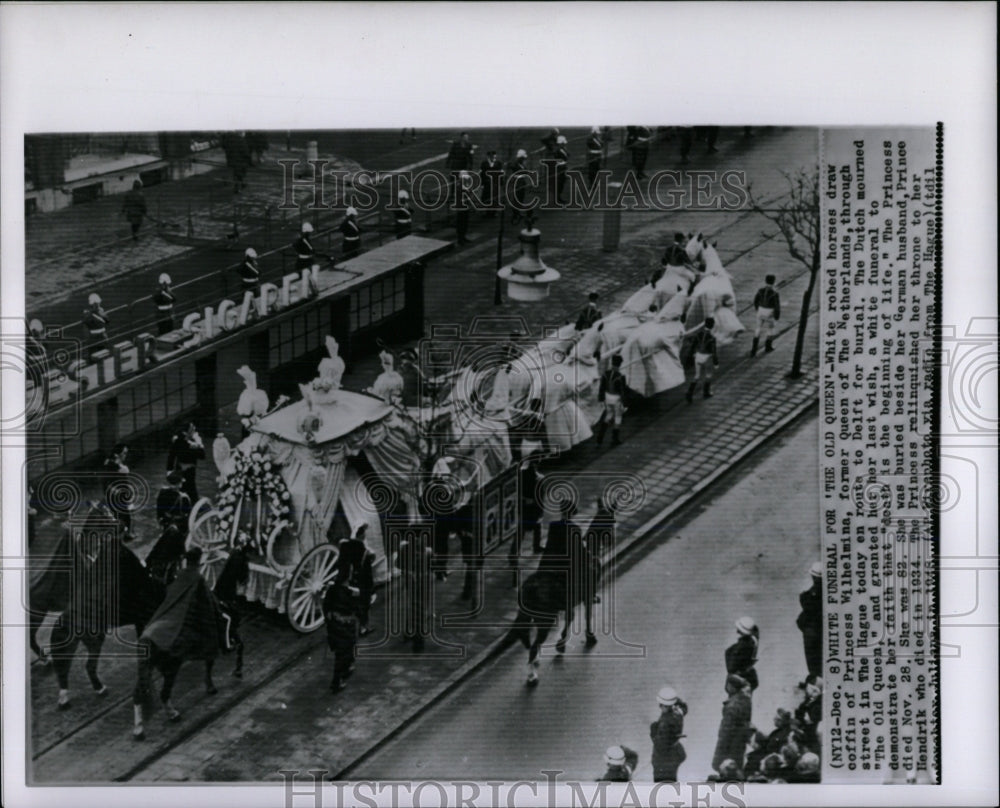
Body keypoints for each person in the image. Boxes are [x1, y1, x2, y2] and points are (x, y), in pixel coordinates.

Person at [322, 568, 360, 692]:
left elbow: (326, 607)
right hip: (346, 626)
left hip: (334, 626)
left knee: (341, 652)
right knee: (346, 651)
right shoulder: (350, 594)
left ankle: (344, 670)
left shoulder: (332, 590)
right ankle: (337, 680)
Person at [336, 525, 376, 636]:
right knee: (364, 605)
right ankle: (363, 627)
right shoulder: (365, 551)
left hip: (349, 581)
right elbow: (368, 573)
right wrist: (372, 589)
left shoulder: (345, 546)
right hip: (362, 582)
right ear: (362, 535)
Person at [712, 674, 753, 775]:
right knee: (736, 764)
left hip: (729, 743)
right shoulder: (746, 700)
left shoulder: (732, 706)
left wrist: (720, 749)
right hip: (740, 740)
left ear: (731, 686)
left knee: (724, 767)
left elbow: (727, 730)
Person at [650, 685, 689, 782]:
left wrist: (653, 732)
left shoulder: (665, 723)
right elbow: (684, 707)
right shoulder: (678, 712)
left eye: (661, 704)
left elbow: (660, 745)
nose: (660, 707)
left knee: (663, 784)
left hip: (664, 760)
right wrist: (674, 699)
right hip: (675, 752)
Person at [167, 422, 206, 505]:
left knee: (184, 490)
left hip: (181, 469)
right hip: (188, 471)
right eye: (192, 430)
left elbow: (171, 456)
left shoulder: (177, 440)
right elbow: (202, 455)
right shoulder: (192, 444)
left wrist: (169, 470)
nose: (194, 432)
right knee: (190, 491)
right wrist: (199, 443)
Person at [102, 443, 134, 540]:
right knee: (120, 516)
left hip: (122, 496)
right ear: (117, 454)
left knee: (125, 516)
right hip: (115, 498)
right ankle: (120, 536)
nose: (125, 455)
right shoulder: (110, 466)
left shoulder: (119, 465)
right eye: (123, 453)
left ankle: (125, 533)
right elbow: (107, 484)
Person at [596, 354, 629, 447]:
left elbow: (601, 387)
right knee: (618, 417)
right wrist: (625, 403)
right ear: (620, 364)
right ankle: (615, 439)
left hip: (607, 397)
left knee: (608, 415)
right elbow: (623, 391)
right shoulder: (621, 376)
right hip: (616, 398)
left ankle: (600, 436)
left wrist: (601, 399)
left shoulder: (605, 374)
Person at [797, 561, 823, 678]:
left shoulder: (814, 592)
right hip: (817, 629)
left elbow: (808, 605)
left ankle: (815, 679)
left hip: (812, 630)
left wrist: (803, 595)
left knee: (813, 657)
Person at [685, 316, 719, 402]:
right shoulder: (712, 337)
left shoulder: (698, 334)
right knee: (708, 375)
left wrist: (691, 355)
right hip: (707, 357)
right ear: (712, 325)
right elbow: (714, 351)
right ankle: (706, 392)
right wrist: (716, 362)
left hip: (698, 355)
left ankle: (690, 392)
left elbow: (693, 346)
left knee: (697, 376)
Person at [725, 615, 760, 692]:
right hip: (749, 676)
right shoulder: (753, 641)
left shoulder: (742, 646)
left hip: (740, 679)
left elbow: (731, 668)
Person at [751, 274, 781, 356]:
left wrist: (758, 309)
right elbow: (777, 306)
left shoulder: (760, 290)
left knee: (758, 328)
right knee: (770, 329)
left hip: (761, 310)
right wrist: (777, 315)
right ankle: (768, 347)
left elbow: (755, 301)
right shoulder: (775, 293)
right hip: (769, 312)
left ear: (765, 281)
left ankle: (753, 349)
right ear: (774, 281)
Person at [83, 293, 110, 360]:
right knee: (105, 354)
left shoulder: (88, 314)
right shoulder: (101, 311)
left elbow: (86, 323)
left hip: (93, 338)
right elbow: (107, 321)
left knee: (93, 356)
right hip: (103, 336)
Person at [479, 149, 504, 215]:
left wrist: (501, 183)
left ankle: (493, 212)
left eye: (495, 157)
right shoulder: (484, 164)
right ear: (489, 157)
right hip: (487, 184)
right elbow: (481, 175)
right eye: (493, 157)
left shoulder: (498, 164)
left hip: (495, 184)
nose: (494, 158)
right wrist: (481, 184)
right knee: (487, 198)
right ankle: (487, 212)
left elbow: (500, 174)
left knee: (494, 197)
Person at [508, 149, 530, 223]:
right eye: (523, 158)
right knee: (516, 199)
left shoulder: (522, 164)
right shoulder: (515, 164)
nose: (524, 159)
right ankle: (515, 214)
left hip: (522, 182)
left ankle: (518, 213)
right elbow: (511, 166)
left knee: (521, 198)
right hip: (517, 183)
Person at [455, 171, 472, 244]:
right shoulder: (459, 184)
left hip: (465, 205)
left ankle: (463, 237)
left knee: (465, 222)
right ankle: (460, 238)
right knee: (461, 222)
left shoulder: (465, 184)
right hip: (461, 206)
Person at [552, 135, 569, 204]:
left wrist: (565, 149)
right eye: (563, 143)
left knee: (562, 183)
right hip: (559, 169)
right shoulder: (557, 151)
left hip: (563, 167)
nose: (564, 144)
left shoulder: (563, 149)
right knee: (559, 183)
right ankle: (557, 198)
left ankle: (558, 197)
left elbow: (568, 155)